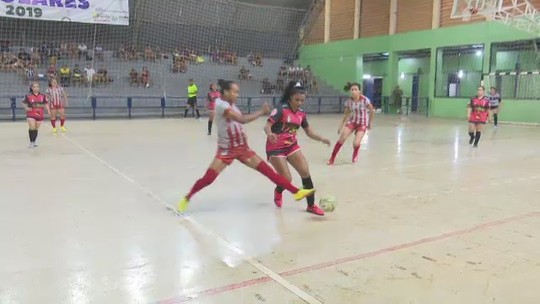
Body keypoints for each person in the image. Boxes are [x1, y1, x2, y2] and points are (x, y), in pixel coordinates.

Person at [177, 79, 315, 212]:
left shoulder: (232, 105)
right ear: (225, 92)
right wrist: (261, 112)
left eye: (238, 92)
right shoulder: (220, 105)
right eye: (234, 92)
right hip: (226, 150)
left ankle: (296, 192)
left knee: (268, 172)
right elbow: (241, 120)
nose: (237, 95)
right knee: (208, 179)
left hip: (243, 148)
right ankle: (187, 198)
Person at [265, 82, 330, 216]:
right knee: (287, 179)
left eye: (302, 100)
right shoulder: (281, 109)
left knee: (305, 171)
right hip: (276, 148)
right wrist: (270, 133)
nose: (300, 103)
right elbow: (267, 125)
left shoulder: (301, 114)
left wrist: (322, 138)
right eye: (297, 100)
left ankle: (311, 205)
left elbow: (309, 132)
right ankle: (278, 190)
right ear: (290, 97)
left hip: (291, 146)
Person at [328, 83, 375, 165]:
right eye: (352, 89)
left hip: (362, 123)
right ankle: (332, 158)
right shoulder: (349, 102)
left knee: (356, 143)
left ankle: (355, 152)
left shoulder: (365, 100)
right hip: (352, 122)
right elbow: (346, 115)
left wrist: (370, 122)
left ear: (359, 91)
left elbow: (371, 110)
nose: (353, 91)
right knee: (342, 138)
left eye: (355, 89)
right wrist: (340, 126)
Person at [22, 82, 50, 148]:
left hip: (40, 114)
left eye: (37, 86)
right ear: (32, 88)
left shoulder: (43, 96)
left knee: (35, 128)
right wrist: (26, 108)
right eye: (34, 87)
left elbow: (46, 104)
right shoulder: (28, 96)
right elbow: (23, 103)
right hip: (31, 114)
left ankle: (34, 141)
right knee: (32, 127)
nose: (36, 88)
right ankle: (31, 142)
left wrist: (48, 110)